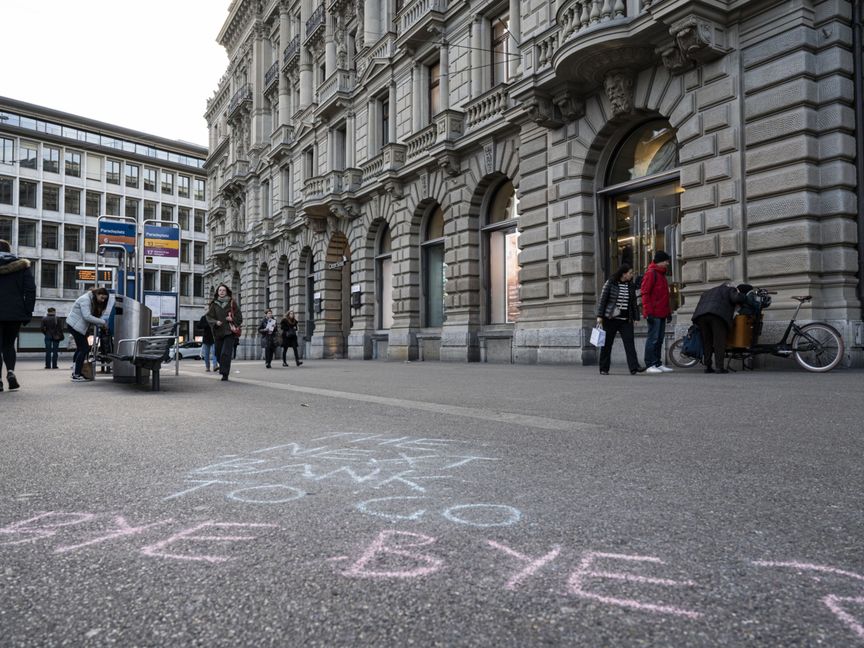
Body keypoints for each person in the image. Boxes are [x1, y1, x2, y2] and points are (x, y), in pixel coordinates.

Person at [0, 239, 36, 391]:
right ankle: (10, 372)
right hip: (14, 313)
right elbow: (31, 290)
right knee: (9, 344)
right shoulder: (22, 267)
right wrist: (27, 311)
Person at [596, 264, 645, 375]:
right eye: (630, 273)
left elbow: (633, 303)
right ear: (624, 274)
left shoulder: (631, 286)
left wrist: (636, 317)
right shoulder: (610, 283)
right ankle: (604, 368)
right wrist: (600, 316)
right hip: (610, 319)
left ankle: (634, 367)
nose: (632, 275)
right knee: (607, 344)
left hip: (625, 320)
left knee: (630, 343)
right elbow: (603, 300)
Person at [692, 282, 747, 374]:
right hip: (717, 316)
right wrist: (743, 295)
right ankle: (719, 367)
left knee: (707, 342)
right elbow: (736, 298)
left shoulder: (708, 291)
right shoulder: (730, 289)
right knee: (719, 342)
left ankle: (708, 366)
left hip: (701, 316)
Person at [66, 287, 109, 382]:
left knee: (81, 349)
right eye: (102, 297)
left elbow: (89, 317)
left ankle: (76, 372)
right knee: (84, 348)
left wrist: (99, 323)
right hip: (75, 326)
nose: (103, 300)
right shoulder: (85, 299)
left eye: (104, 299)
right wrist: (102, 322)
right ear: (97, 293)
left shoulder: (91, 299)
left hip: (77, 326)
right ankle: (76, 375)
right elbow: (87, 316)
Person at [641, 250, 674, 374]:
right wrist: (648, 312)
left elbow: (665, 296)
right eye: (666, 261)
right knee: (653, 338)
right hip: (654, 313)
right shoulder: (651, 274)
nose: (667, 263)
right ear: (660, 261)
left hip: (661, 313)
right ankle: (650, 364)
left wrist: (668, 312)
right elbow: (645, 293)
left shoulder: (661, 275)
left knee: (659, 339)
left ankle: (657, 363)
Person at [206, 283, 242, 381]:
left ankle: (225, 373)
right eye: (220, 290)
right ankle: (223, 368)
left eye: (223, 290)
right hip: (218, 332)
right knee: (218, 353)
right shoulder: (214, 304)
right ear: (217, 292)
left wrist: (232, 319)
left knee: (225, 353)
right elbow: (209, 317)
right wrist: (215, 322)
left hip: (229, 332)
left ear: (227, 292)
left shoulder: (232, 302)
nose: (221, 292)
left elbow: (239, 317)